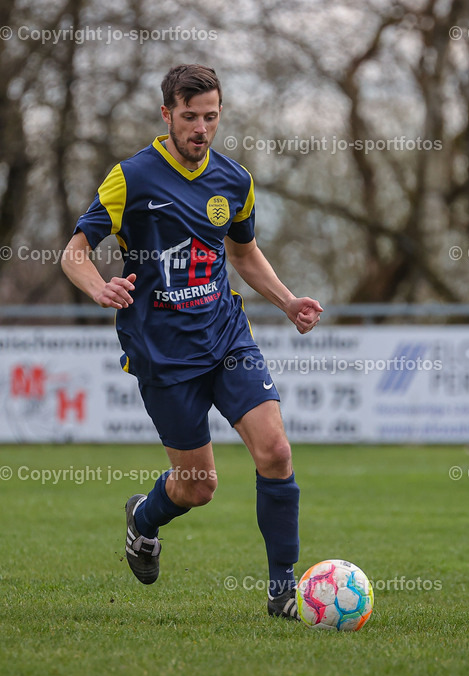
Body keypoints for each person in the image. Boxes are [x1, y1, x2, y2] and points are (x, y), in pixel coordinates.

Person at [61, 64, 323, 618]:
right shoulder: (131, 178)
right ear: (167, 115)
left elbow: (243, 253)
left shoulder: (235, 181)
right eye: (189, 117)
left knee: (276, 452)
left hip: (226, 337)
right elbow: (74, 253)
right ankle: (143, 518)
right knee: (198, 486)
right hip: (163, 354)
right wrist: (98, 286)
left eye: (210, 117)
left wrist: (287, 301)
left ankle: (282, 591)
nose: (201, 128)